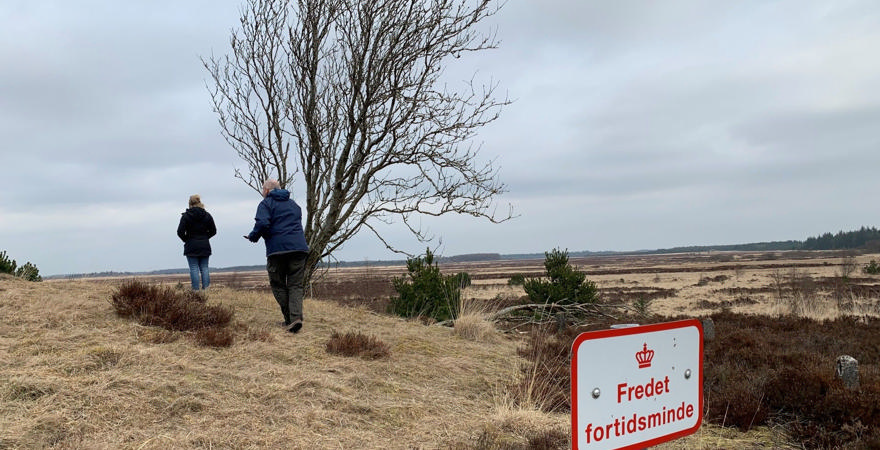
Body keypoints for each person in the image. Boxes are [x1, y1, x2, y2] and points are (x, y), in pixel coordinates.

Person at [245, 179, 310, 333]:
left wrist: (253, 236)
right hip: (299, 249)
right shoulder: (294, 205)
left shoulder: (266, 204)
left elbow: (262, 224)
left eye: (263, 189)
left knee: (278, 284)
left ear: (267, 190)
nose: (262, 192)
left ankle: (290, 319)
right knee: (295, 285)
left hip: (277, 250)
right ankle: (295, 318)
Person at [177, 194, 217, 291]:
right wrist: (205, 238)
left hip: (191, 245)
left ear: (190, 203)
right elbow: (214, 231)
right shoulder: (207, 215)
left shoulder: (186, 216)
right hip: (204, 245)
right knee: (205, 268)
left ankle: (195, 291)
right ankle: (206, 290)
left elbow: (180, 232)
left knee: (194, 268)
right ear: (200, 202)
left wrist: (187, 239)